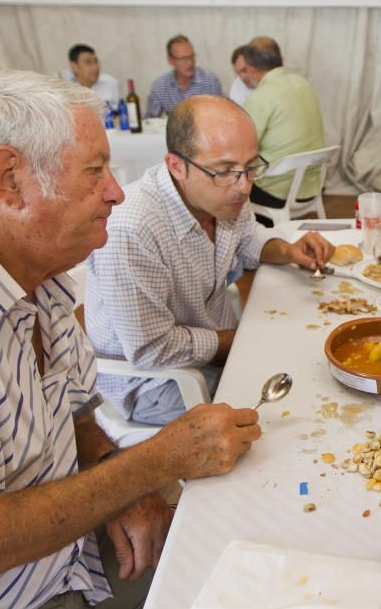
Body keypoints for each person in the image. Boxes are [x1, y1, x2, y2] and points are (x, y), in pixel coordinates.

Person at [0, 70, 262, 609]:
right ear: (9, 179)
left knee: (259, 576)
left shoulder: (35, 266)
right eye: (95, 171)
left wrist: (125, 491)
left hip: (70, 564)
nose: (115, 190)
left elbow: (75, 411)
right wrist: (153, 464)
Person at [86, 95, 334, 426]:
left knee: (312, 376)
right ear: (176, 165)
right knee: (294, 408)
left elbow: (247, 237)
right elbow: (152, 350)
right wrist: (244, 339)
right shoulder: (133, 228)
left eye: (250, 168)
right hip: (157, 382)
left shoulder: (224, 192)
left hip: (215, 348)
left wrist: (288, 250)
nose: (244, 187)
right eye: (225, 171)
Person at [240, 36, 326, 217]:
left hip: (276, 192)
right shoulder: (304, 84)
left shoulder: (260, 97)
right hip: (312, 185)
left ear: (251, 69)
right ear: (280, 60)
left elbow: (242, 146)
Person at [146, 34, 223, 118]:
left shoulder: (210, 81)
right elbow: (150, 119)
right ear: (171, 61)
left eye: (191, 56)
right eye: (183, 59)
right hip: (175, 130)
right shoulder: (160, 86)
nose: (190, 63)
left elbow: (220, 114)